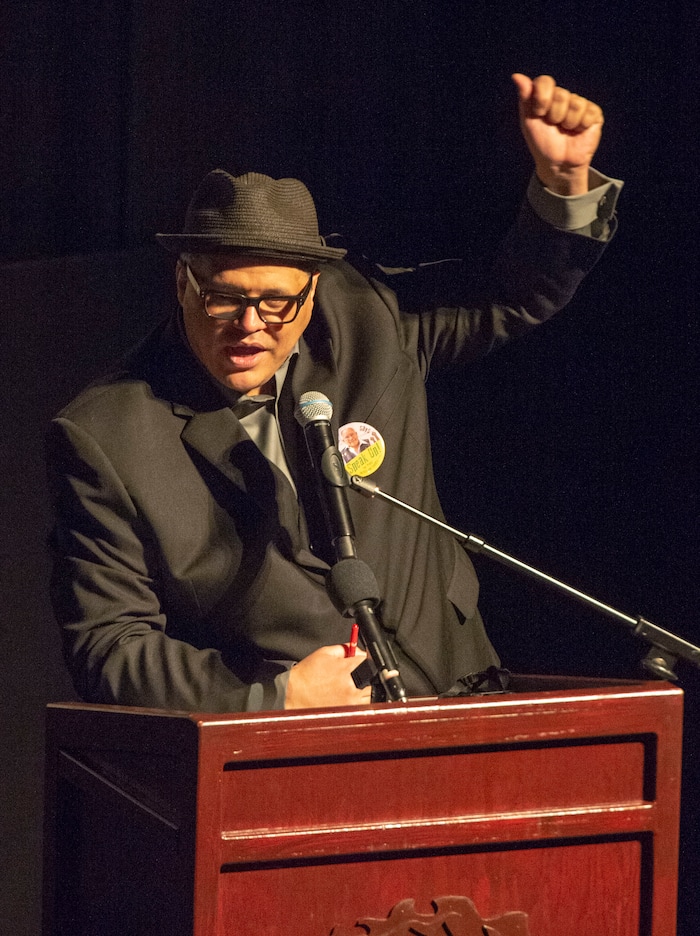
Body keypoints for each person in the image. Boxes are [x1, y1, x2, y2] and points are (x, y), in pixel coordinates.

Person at [47, 74, 622, 712]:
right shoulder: (109, 436)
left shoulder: (366, 321)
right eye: (223, 298)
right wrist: (273, 696)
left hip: (465, 697)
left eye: (276, 301)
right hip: (299, 757)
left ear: (314, 291)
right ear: (183, 280)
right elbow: (110, 647)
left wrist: (564, 183)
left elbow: (511, 296)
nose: (249, 326)